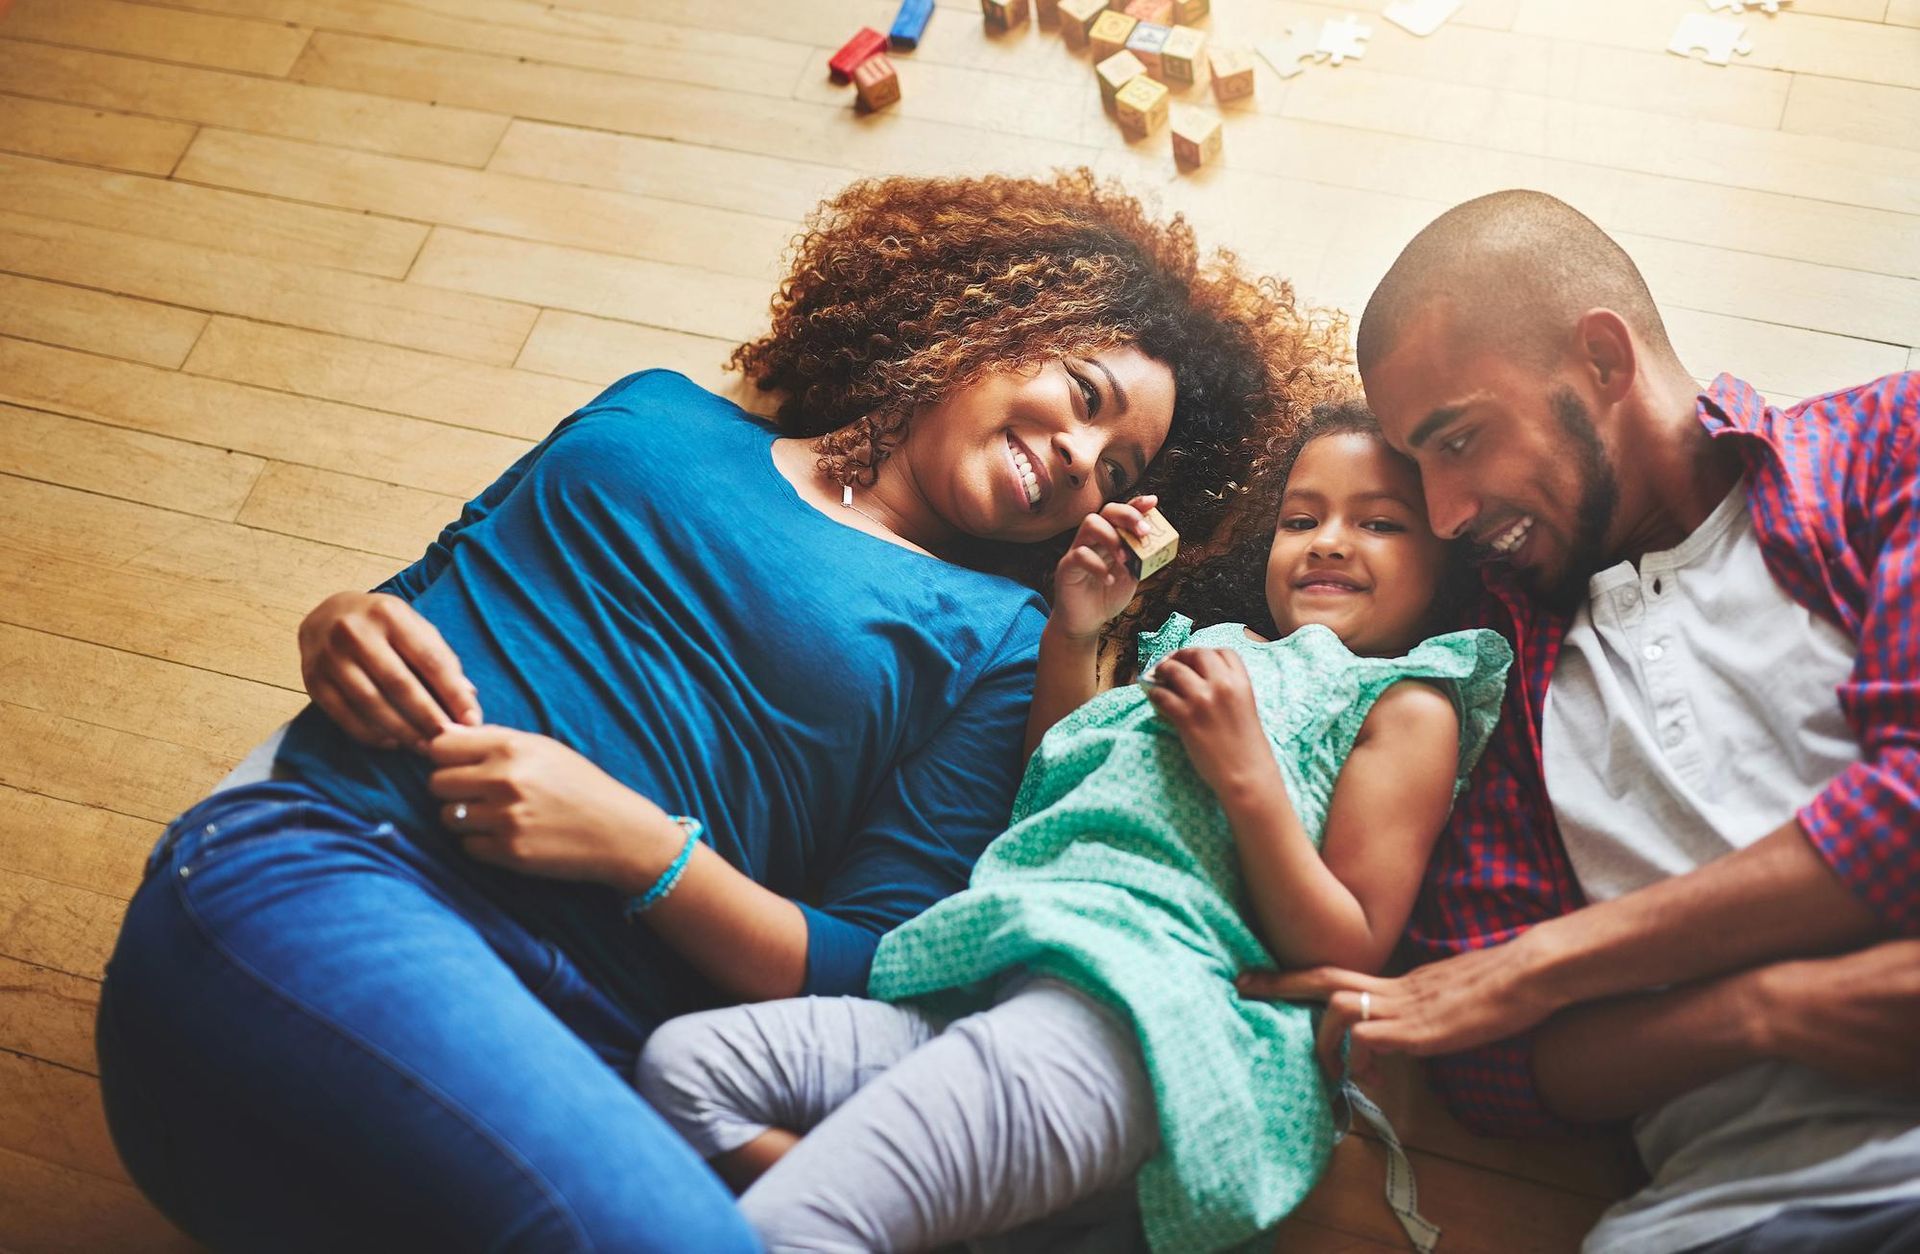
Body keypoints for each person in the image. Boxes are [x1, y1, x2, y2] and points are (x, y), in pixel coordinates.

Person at [93, 170, 1349, 1253]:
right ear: (983, 320)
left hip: (587, 1051)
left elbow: (877, 961)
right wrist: (337, 624)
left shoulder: (1001, 643)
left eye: (1116, 470)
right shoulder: (652, 413)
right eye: (1082, 394)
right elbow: (433, 588)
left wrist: (642, 849)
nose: (1083, 459)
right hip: (351, 868)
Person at [635, 402, 1513, 1253]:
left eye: (1381, 525)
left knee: (800, 1224)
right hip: (1002, 976)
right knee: (684, 1070)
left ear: (1448, 562)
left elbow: (1350, 946)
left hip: (1141, 1022)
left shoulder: (1405, 697)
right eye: (1300, 518)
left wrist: (1246, 775)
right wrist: (1077, 627)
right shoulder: (1201, 645)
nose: (1328, 540)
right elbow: (1056, 776)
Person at [1244, 190, 1920, 1254]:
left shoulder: (1881, 450)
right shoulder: (1493, 679)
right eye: (1420, 474)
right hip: (1714, 1221)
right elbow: (1492, 1065)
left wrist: (1548, 963)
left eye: (1458, 441)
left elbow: (1908, 809)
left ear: (1604, 361)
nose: (1450, 512)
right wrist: (1768, 1012)